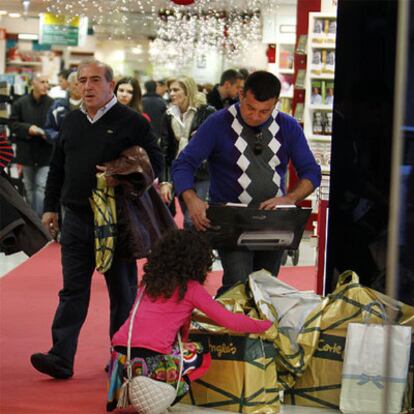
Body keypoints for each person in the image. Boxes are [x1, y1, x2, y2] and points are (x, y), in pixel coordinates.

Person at [30, 59, 163, 380]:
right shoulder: (71, 121)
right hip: (75, 218)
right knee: (72, 291)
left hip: (117, 221)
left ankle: (123, 356)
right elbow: (57, 167)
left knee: (122, 291)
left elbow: (156, 163)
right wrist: (50, 208)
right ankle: (61, 356)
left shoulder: (132, 121)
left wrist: (123, 175)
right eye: (82, 80)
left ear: (110, 84)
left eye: (94, 80)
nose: (87, 87)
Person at [172, 71, 321, 295]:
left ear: (275, 104)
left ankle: (252, 329)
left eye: (264, 111)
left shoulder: (287, 126)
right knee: (238, 284)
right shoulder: (218, 123)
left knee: (265, 288)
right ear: (241, 95)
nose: (255, 116)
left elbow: (312, 172)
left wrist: (289, 198)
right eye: (250, 108)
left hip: (273, 220)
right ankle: (230, 327)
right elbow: (183, 163)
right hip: (231, 219)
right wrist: (192, 199)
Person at [107, 228, 273, 411]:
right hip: (153, 359)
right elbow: (231, 322)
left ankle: (137, 388)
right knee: (202, 355)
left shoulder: (148, 282)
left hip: (121, 356)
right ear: (198, 261)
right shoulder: (191, 288)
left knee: (174, 348)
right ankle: (167, 391)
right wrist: (266, 324)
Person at [160, 76, 215, 225]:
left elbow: (217, 141)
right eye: (170, 90)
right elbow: (165, 149)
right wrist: (165, 180)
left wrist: (203, 136)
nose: (171, 93)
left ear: (188, 91)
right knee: (186, 216)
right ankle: (191, 247)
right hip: (180, 170)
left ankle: (198, 247)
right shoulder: (169, 114)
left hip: (202, 172)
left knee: (195, 217)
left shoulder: (206, 111)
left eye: (176, 90)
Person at [9, 73, 54, 215]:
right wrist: (28, 129)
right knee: (28, 187)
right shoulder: (20, 103)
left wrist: (45, 133)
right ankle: (31, 218)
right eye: (42, 81)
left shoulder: (53, 104)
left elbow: (57, 127)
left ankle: (38, 220)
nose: (46, 85)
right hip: (27, 153)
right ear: (33, 83)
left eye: (47, 82)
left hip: (45, 152)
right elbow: (13, 124)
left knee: (40, 187)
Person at [44, 71, 82, 142]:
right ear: (69, 85)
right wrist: (61, 137)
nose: (79, 87)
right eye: (76, 84)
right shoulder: (57, 106)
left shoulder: (90, 105)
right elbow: (48, 129)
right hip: (62, 148)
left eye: (81, 84)